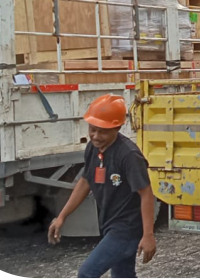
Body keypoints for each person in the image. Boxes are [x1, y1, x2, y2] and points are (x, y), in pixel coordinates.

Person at [48, 94, 157, 279]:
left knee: (87, 273)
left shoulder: (129, 155)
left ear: (117, 127)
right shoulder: (93, 148)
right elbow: (85, 181)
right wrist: (61, 217)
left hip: (127, 228)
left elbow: (146, 194)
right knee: (123, 276)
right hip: (109, 222)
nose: (96, 136)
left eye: (103, 132)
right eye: (92, 130)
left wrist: (148, 235)